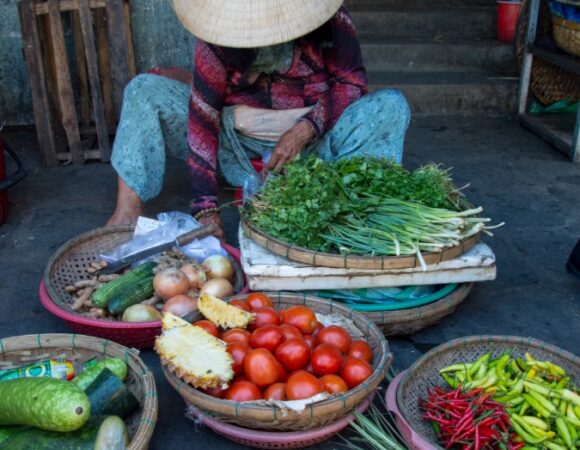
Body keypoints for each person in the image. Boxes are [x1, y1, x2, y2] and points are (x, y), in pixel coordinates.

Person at [106, 0, 411, 239]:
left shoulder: (330, 19)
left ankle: (354, 211)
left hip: (317, 144)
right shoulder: (217, 33)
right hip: (236, 138)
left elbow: (351, 85)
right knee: (144, 90)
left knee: (391, 106)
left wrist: (306, 129)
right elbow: (203, 116)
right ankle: (127, 211)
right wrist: (205, 209)